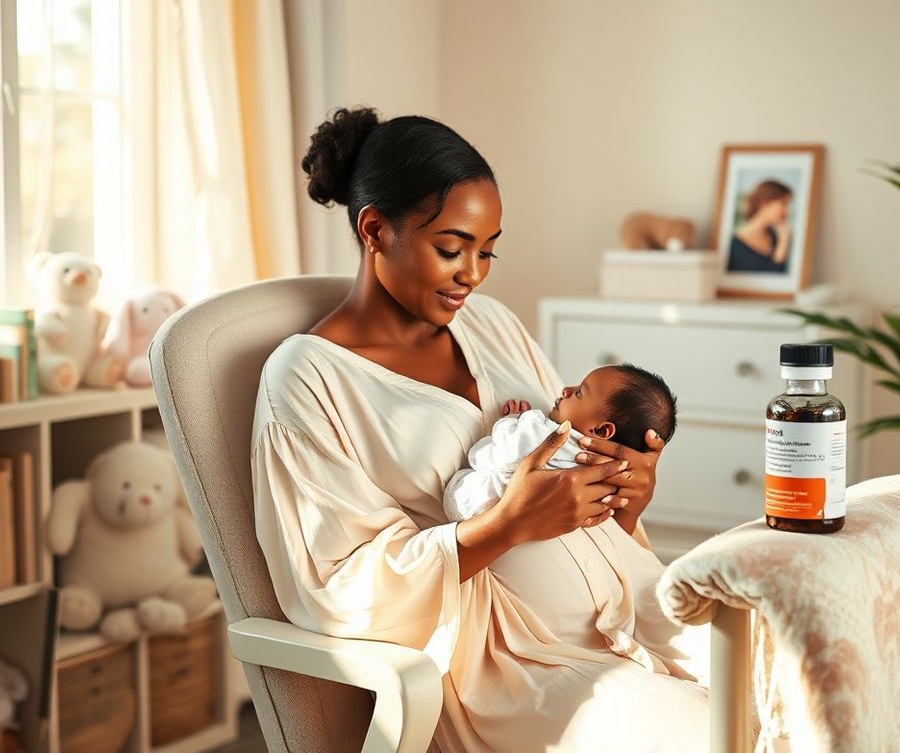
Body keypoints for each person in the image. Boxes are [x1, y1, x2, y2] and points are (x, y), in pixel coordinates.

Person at [251, 107, 711, 752]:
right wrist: (505, 525)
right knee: (708, 736)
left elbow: (573, 454)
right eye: (451, 249)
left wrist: (625, 500)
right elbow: (335, 586)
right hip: (513, 671)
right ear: (376, 229)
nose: (473, 274)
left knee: (793, 680)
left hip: (628, 612)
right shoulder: (310, 380)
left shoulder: (491, 324)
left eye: (488, 250)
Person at [443, 363, 678, 523]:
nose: (566, 389)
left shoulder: (546, 434)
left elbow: (491, 455)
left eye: (579, 393)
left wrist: (513, 421)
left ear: (602, 430)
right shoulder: (610, 469)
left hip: (470, 504)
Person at [727, 178, 794, 273]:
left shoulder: (778, 238)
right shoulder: (732, 243)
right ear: (764, 204)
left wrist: (783, 241)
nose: (786, 211)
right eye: (783, 204)